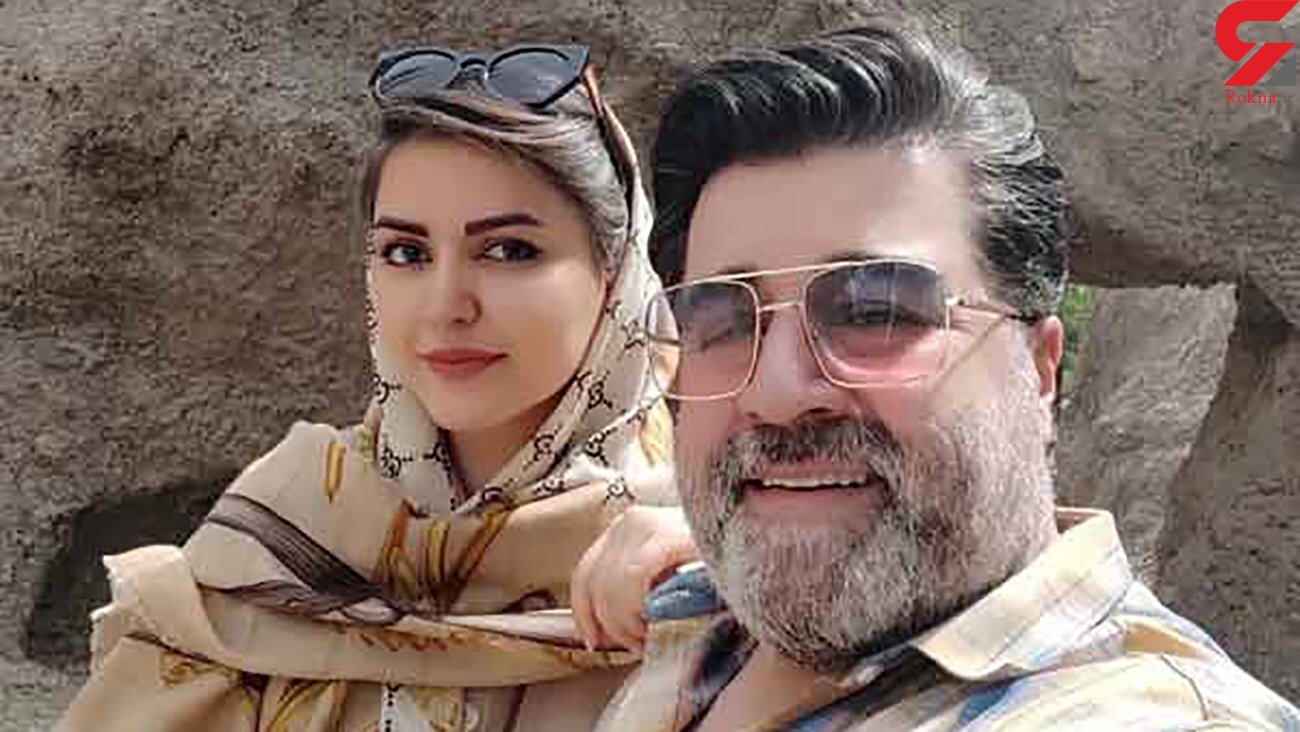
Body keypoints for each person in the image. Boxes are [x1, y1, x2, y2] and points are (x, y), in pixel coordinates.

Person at [596, 21, 1300, 731]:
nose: (774, 394)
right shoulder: (690, 618)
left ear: (1039, 370)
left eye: (873, 311)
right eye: (724, 321)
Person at [57, 42, 688, 731]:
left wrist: (713, 567)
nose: (445, 305)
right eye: (406, 253)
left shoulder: (708, 552)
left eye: (508, 250)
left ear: (616, 274)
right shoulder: (287, 528)